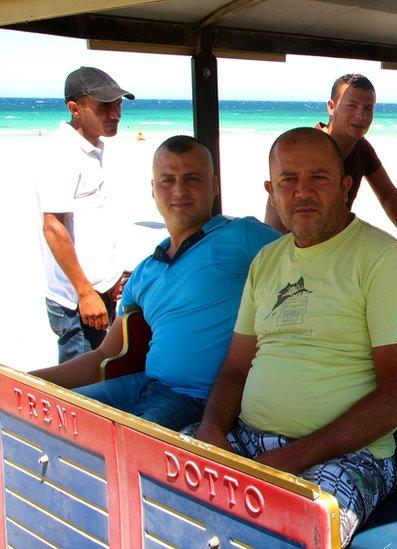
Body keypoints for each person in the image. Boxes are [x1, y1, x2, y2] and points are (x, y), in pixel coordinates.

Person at [191, 128, 397, 547]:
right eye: (288, 180)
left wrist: (289, 459)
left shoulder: (384, 260)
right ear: (271, 191)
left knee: (287, 532)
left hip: (352, 457)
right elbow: (235, 367)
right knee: (160, 488)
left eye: (318, 178)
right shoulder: (267, 261)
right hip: (246, 439)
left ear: (345, 186)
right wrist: (212, 428)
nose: (302, 192)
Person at [32, 136, 280, 430]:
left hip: (199, 400)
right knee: (52, 418)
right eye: (167, 180)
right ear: (153, 189)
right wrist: (31, 380)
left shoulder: (242, 235)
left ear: (214, 185)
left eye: (192, 179)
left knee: (122, 441)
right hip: (141, 383)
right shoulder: (145, 270)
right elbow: (104, 354)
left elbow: (307, 254)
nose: (179, 190)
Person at [39, 67, 135, 362]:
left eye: (118, 104)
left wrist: (113, 275)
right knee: (80, 393)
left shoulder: (92, 149)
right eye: (104, 106)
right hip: (76, 304)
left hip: (98, 293)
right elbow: (53, 227)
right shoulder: (61, 152)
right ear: (75, 108)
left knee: (99, 373)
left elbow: (93, 221)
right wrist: (85, 292)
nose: (115, 113)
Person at [264, 74, 397, 250]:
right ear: (332, 107)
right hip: (299, 249)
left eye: (368, 108)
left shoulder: (362, 148)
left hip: (334, 246)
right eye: (352, 106)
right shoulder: (308, 147)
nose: (361, 115)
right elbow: (277, 202)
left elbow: (387, 193)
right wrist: (277, 256)